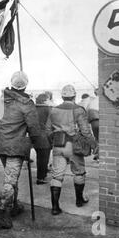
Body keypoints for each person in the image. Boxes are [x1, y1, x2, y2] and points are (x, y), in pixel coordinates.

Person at [0, 71, 49, 229]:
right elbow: (34, 128)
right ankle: (2, 214)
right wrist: (37, 139)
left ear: (11, 83)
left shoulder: (3, 98)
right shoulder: (26, 103)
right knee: (10, 180)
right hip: (15, 146)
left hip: (1, 143)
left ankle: (14, 206)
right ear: (26, 85)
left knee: (12, 177)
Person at [45, 84, 97, 215]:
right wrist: (94, 144)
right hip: (74, 145)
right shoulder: (78, 110)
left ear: (62, 96)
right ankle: (79, 200)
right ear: (74, 96)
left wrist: (55, 139)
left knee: (57, 176)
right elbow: (85, 131)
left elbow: (47, 130)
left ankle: (55, 207)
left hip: (58, 145)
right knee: (79, 172)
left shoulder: (54, 110)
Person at [34, 93, 53, 185]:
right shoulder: (48, 109)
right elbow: (51, 124)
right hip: (45, 136)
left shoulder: (33, 109)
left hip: (35, 136)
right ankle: (40, 178)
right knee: (44, 158)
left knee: (39, 157)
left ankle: (42, 175)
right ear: (45, 100)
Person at [88, 89, 99, 161]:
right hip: (99, 120)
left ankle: (97, 154)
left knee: (97, 139)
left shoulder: (92, 101)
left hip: (93, 122)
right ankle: (99, 155)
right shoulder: (102, 100)